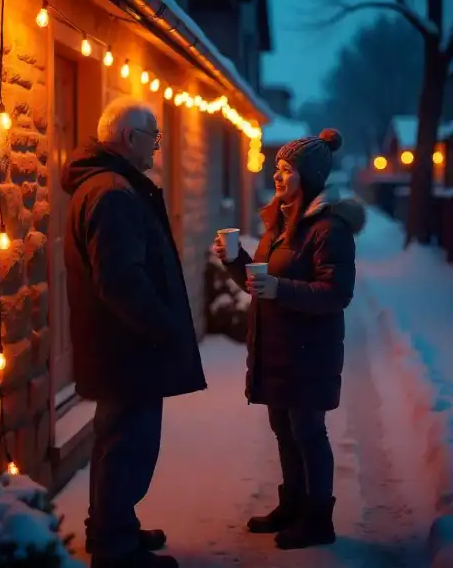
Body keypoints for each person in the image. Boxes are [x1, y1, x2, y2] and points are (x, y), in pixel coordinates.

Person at [61, 97, 207, 568]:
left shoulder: (110, 186)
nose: (158, 147)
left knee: (119, 443)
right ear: (130, 138)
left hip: (122, 349)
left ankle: (113, 527)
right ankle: (115, 550)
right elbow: (121, 281)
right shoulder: (112, 194)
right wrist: (163, 328)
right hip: (127, 350)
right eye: (155, 137)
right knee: (127, 446)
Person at [213, 129, 365, 550]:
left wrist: (281, 289)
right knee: (283, 428)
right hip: (278, 348)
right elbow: (259, 283)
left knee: (308, 432)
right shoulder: (280, 222)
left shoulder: (327, 229)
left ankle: (318, 519)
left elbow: (336, 293)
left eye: (286, 170)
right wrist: (234, 261)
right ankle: (293, 504)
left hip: (309, 352)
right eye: (277, 168)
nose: (276, 176)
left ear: (309, 176)